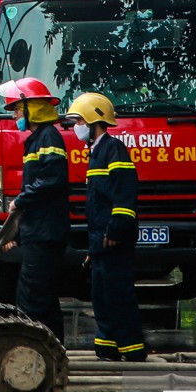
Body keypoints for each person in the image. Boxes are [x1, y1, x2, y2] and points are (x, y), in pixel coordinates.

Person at [70, 92, 146, 362]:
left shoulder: (113, 150)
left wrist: (116, 230)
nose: (75, 126)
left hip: (114, 239)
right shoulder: (95, 153)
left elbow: (124, 195)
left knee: (117, 294)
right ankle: (108, 346)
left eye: (78, 120)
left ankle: (132, 348)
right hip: (101, 241)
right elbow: (97, 206)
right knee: (101, 295)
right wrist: (93, 246)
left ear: (94, 120)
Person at [0, 77, 69, 341]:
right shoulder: (38, 138)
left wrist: (20, 199)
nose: (15, 115)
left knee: (30, 300)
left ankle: (31, 353)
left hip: (45, 234)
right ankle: (55, 354)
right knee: (46, 301)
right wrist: (16, 236)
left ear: (33, 108)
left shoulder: (48, 136)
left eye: (18, 109)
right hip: (40, 232)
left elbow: (52, 179)